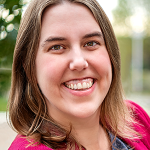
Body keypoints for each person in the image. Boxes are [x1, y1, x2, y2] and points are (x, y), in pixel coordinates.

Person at [8, 0, 150, 149]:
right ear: (28, 66)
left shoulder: (135, 118)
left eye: (91, 43)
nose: (79, 62)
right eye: (57, 47)